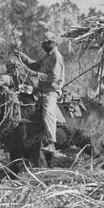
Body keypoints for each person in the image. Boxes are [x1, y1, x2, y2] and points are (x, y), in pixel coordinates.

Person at [33, 35, 66, 165]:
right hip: (42, 90)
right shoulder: (47, 56)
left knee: (47, 113)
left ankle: (51, 143)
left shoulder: (56, 56)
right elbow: (35, 65)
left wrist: (36, 75)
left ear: (51, 42)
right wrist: (22, 58)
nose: (42, 46)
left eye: (44, 43)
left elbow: (53, 77)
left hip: (51, 91)